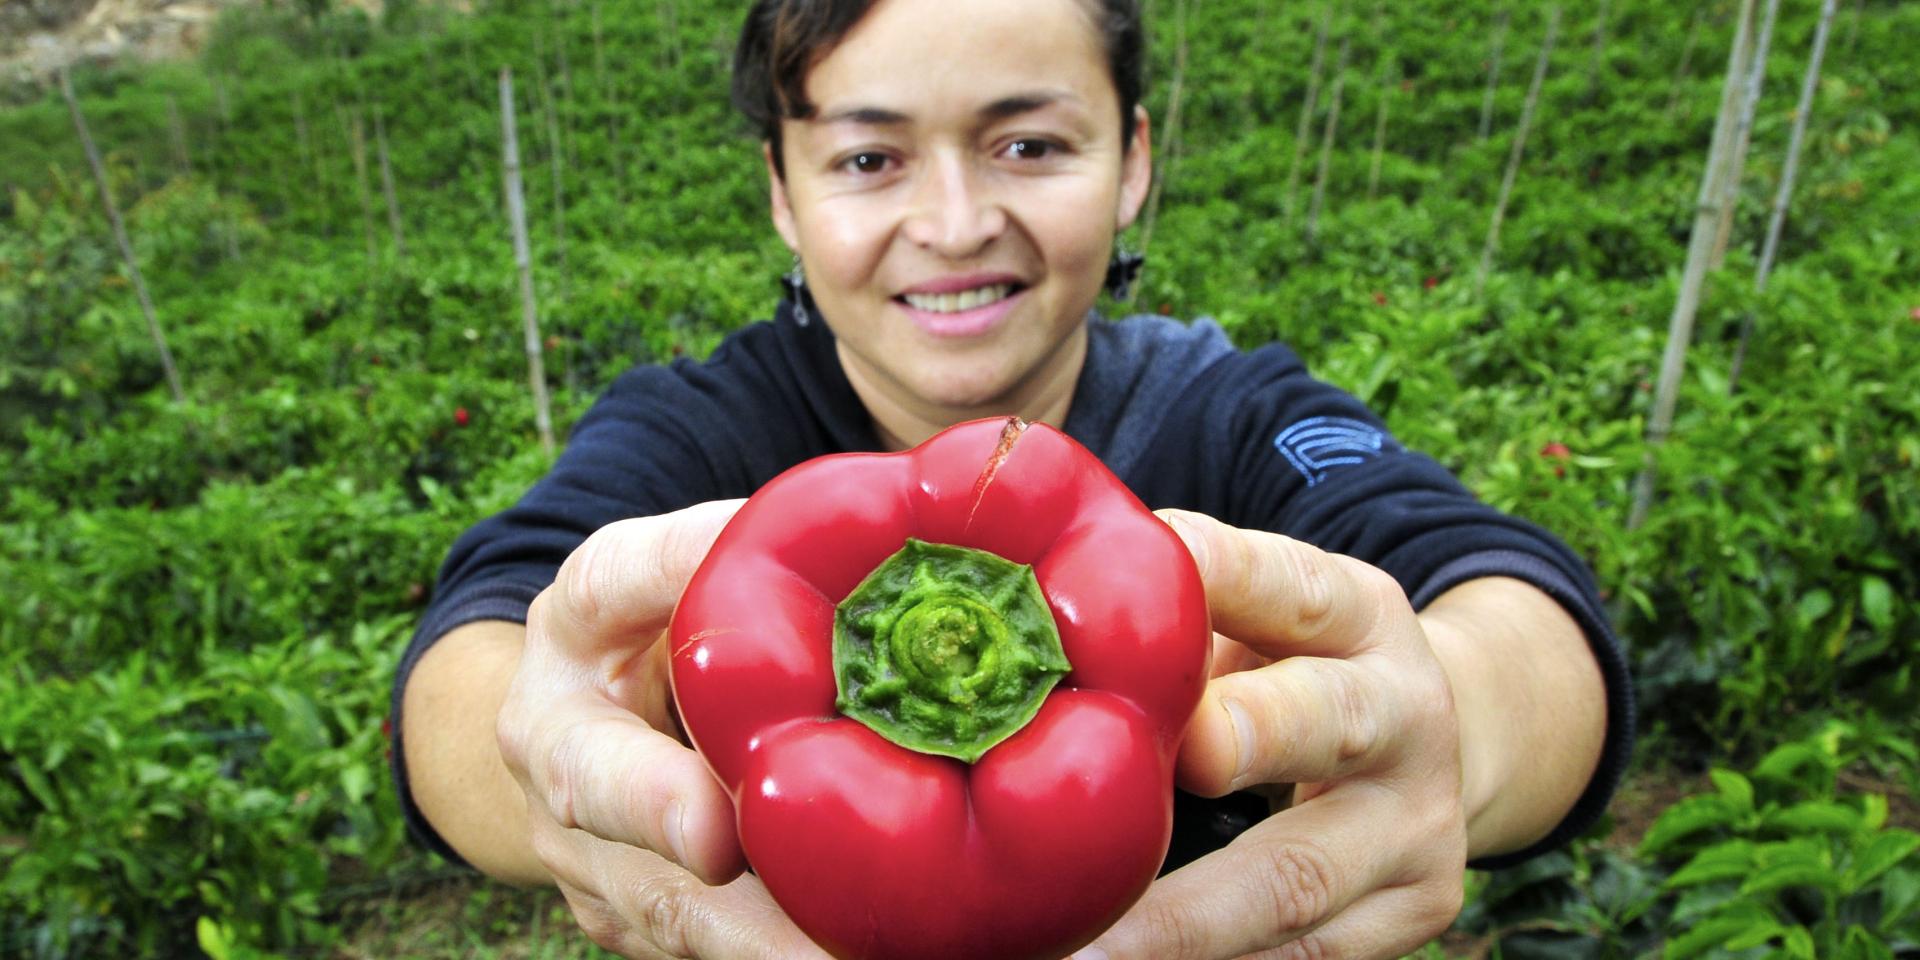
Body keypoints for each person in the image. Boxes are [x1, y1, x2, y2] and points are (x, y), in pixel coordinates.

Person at [390, 0, 1633, 956]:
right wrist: (537, 752)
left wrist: (1445, 719)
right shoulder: (696, 430)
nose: (954, 222)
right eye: (869, 160)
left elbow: (1512, 603)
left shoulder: (1231, 415)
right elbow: (478, 648)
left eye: (1029, 143)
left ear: (1134, 160)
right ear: (781, 190)